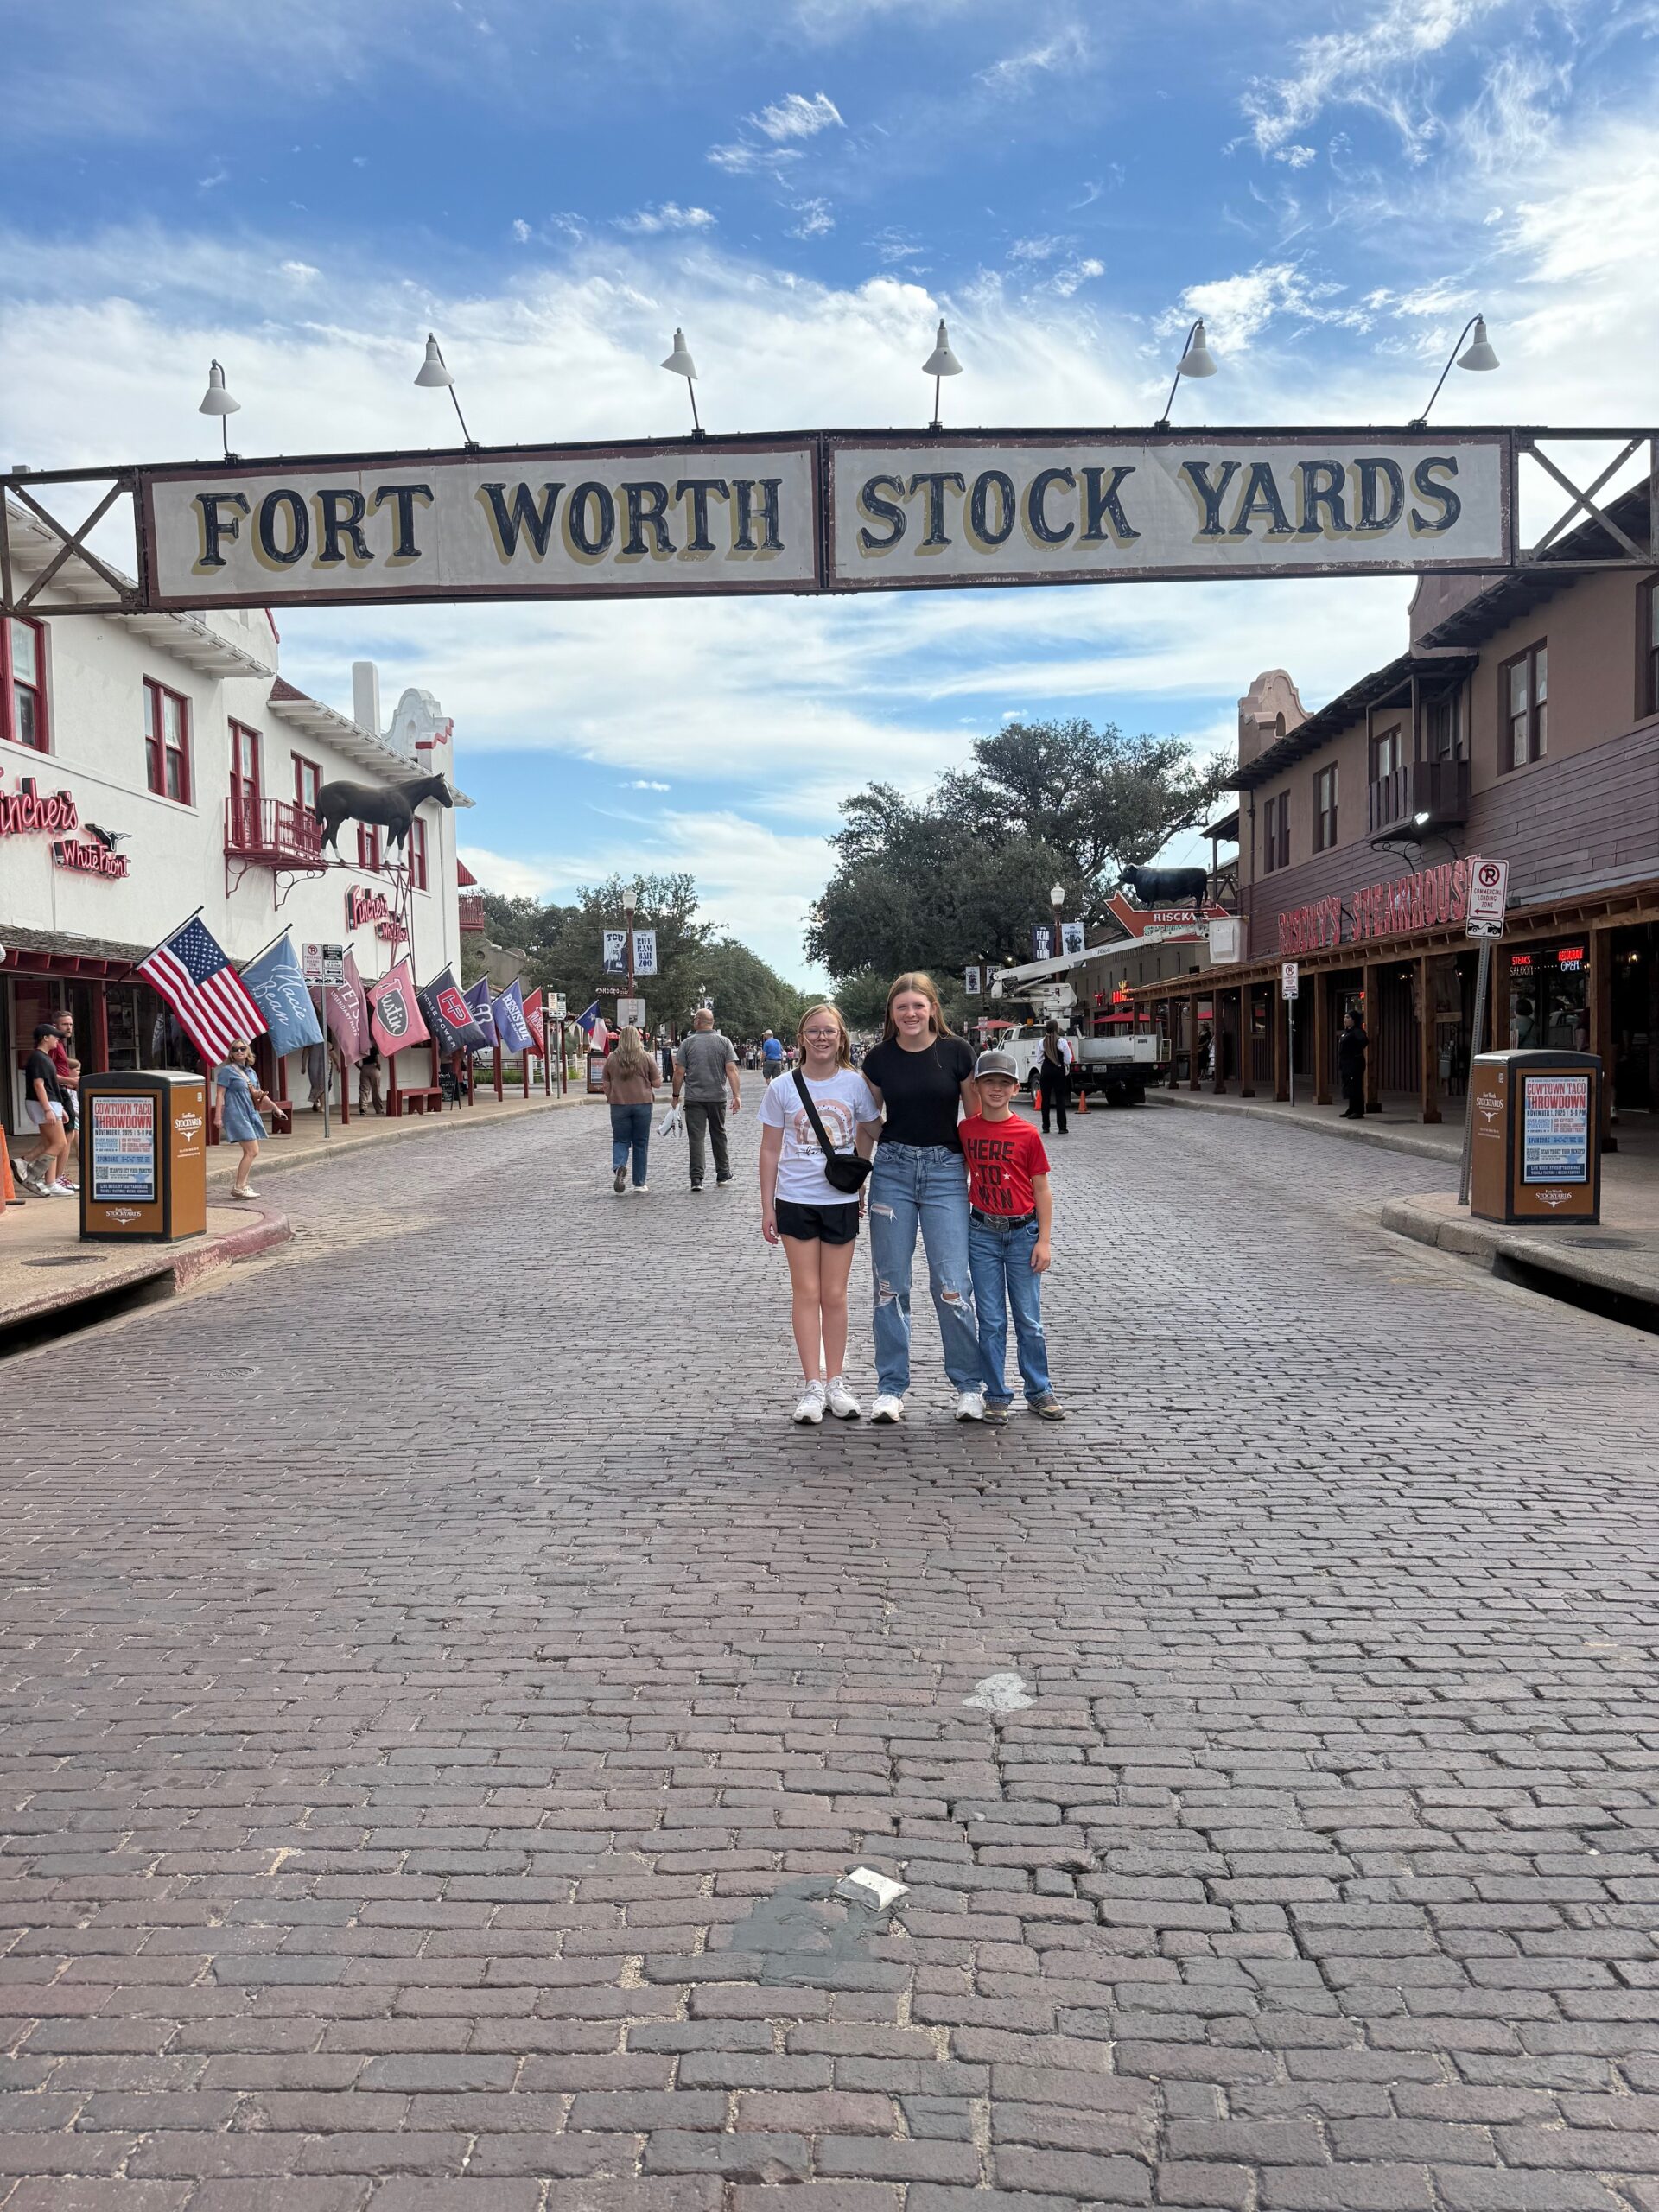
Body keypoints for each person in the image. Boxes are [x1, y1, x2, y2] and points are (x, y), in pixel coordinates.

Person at [860, 971, 983, 1425]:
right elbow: (867, 1121)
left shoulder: (957, 1053)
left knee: (952, 1284)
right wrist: (857, 1177)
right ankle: (891, 1388)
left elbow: (973, 1121)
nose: (910, 1014)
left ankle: (969, 1385)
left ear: (933, 1008)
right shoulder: (878, 1059)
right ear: (892, 1014)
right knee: (890, 1285)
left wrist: (983, 1178)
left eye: (918, 1005)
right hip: (891, 1171)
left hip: (946, 1173)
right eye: (901, 1007)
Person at [759, 1004, 880, 1424]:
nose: (822, 1038)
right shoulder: (782, 1087)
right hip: (796, 1199)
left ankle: (836, 1381)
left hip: (840, 1201)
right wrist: (766, 1205)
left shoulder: (854, 1085)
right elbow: (770, 1149)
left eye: (829, 1031)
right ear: (801, 1037)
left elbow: (870, 1130)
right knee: (806, 1293)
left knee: (835, 1294)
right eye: (814, 1031)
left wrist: (859, 1177)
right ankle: (812, 1383)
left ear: (841, 1037)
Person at [960, 1047, 1065, 1422]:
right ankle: (997, 1393)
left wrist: (1044, 1239)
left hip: (1023, 1232)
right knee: (990, 1319)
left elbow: (1042, 1189)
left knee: (1029, 1319)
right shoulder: (966, 1130)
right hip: (982, 1233)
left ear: (1015, 1087)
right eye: (989, 1082)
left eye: (1004, 1083)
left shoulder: (1027, 1133)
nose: (997, 1089)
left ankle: (1039, 1389)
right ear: (977, 1086)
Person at [672, 1006, 741, 1192]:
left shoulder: (687, 1043)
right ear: (712, 1023)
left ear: (697, 1022)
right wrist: (736, 1096)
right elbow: (732, 1070)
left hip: (694, 1098)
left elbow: (679, 1072)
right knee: (719, 1134)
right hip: (717, 1097)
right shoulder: (724, 1042)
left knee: (696, 1138)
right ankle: (723, 1172)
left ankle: (697, 1178)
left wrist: (675, 1096)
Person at [214, 1039, 282, 1199]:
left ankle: (243, 1186)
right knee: (253, 1150)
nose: (239, 1051)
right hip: (236, 1114)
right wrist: (218, 1117)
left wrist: (275, 1108)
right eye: (235, 1049)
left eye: (242, 1048)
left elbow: (258, 1093)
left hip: (249, 1113)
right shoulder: (227, 1071)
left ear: (247, 1051)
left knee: (249, 1151)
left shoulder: (251, 1072)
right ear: (231, 1053)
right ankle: (239, 1187)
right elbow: (219, 1094)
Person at [600, 1024, 659, 1195]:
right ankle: (639, 1183)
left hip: (619, 1104)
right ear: (638, 1038)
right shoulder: (646, 1057)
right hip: (643, 1104)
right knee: (641, 1142)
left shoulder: (612, 1058)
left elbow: (605, 1082)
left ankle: (619, 1166)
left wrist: (611, 1096)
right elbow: (657, 1083)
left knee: (620, 1141)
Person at [22, 1024, 75, 1195]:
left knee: (50, 1143)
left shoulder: (44, 1058)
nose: (58, 1039)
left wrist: (59, 1108)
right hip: (44, 1103)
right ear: (45, 1038)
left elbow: (50, 1083)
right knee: (59, 1142)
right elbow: (39, 1084)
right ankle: (32, 1175)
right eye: (55, 1036)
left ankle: (47, 1179)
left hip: (52, 1103)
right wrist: (47, 1109)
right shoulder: (38, 1057)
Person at [1038, 1019, 1071, 1136]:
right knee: (1060, 1099)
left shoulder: (1042, 1042)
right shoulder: (1061, 1041)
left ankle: (1046, 1126)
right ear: (1056, 1029)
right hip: (1058, 1071)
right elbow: (1068, 1058)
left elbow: (1039, 1059)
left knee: (1045, 1099)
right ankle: (1062, 1127)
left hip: (1046, 1071)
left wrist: (1047, 1062)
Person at [1337, 1008, 1368, 1119]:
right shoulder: (1347, 1032)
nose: (1345, 1019)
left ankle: (1359, 1110)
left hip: (1354, 1063)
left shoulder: (1357, 1031)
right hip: (1346, 1064)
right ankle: (1351, 1108)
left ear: (1354, 1020)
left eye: (1348, 1017)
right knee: (1349, 1086)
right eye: (1345, 1017)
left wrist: (1355, 1051)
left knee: (1356, 1086)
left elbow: (1364, 1041)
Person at [358, 1040, 385, 1116]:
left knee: (364, 1089)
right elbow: (378, 1060)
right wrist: (379, 1068)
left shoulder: (363, 1048)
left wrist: (361, 1068)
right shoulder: (375, 1048)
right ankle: (379, 1109)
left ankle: (363, 1108)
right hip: (374, 1067)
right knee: (376, 1090)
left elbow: (356, 1061)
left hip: (365, 1068)